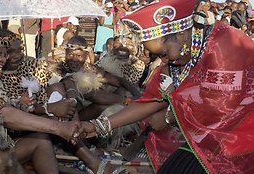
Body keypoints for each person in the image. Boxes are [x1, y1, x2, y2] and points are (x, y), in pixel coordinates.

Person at [81, 0, 254, 173]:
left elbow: (219, 106)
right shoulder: (176, 60)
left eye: (162, 54)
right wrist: (98, 126)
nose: (162, 61)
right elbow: (151, 100)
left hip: (243, 138)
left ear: (181, 35)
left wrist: (168, 117)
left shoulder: (224, 44)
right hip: (214, 140)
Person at [0, 31, 82, 174]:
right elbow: (3, 114)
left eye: (4, 54)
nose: (3, 59)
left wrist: (18, 102)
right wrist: (59, 128)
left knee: (40, 141)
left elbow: (5, 106)